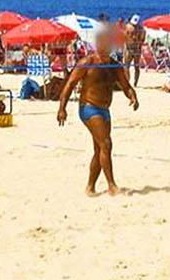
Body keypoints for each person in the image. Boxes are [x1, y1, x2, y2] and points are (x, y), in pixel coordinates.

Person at [57, 28, 139, 196]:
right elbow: (69, 85)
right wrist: (62, 108)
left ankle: (90, 186)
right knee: (106, 144)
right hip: (88, 108)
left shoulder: (114, 65)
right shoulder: (87, 63)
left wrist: (132, 96)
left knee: (100, 150)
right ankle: (111, 186)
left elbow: (125, 86)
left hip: (104, 110)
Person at [124, 14, 145, 86]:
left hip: (129, 48)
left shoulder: (128, 27)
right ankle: (135, 83)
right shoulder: (142, 29)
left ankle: (127, 81)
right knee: (136, 67)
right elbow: (142, 40)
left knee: (127, 66)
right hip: (137, 49)